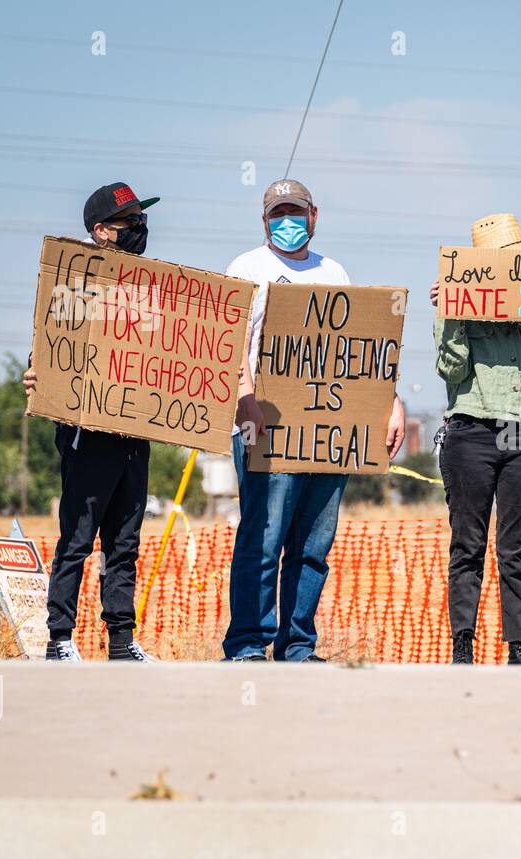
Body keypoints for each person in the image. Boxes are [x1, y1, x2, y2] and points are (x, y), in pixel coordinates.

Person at [223, 179, 406, 663]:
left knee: (312, 545)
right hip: (266, 427)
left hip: (329, 432)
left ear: (314, 215)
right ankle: (246, 644)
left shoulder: (334, 270)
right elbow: (232, 343)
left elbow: (361, 351)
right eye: (277, 213)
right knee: (263, 539)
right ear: (263, 220)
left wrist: (392, 402)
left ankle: (297, 646)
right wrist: (246, 400)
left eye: (296, 212)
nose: (287, 221)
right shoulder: (247, 267)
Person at [21, 182, 161, 662]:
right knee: (78, 539)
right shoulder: (72, 283)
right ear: (101, 232)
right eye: (129, 224)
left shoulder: (150, 287)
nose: (139, 231)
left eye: (141, 221)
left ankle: (121, 640)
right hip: (88, 433)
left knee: (124, 542)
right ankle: (59, 638)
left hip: (133, 435)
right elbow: (53, 346)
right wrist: (37, 373)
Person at [431, 213, 521, 665]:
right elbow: (450, 370)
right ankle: (463, 646)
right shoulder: (455, 307)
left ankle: (518, 648)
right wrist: (452, 314)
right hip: (471, 429)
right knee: (468, 545)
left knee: (516, 548)